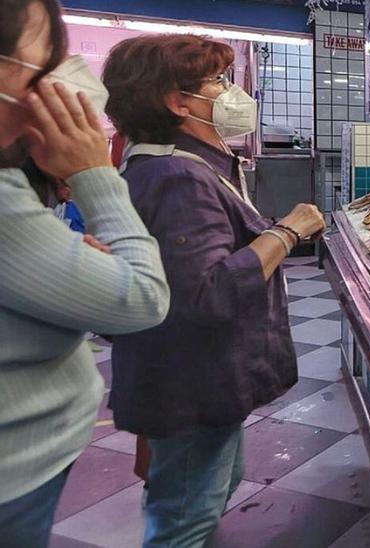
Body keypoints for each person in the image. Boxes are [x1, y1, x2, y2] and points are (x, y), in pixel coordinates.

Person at [101, 34, 325, 547]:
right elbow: (206, 293)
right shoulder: (175, 176)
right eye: (217, 82)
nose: (231, 92)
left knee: (210, 484)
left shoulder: (186, 163)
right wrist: (286, 232)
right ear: (177, 101)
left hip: (200, 381)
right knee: (184, 518)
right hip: (190, 386)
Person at [0, 0, 171, 545]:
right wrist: (95, 173)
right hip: (17, 473)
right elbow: (142, 300)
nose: (58, 80)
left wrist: (65, 259)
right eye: (44, 61)